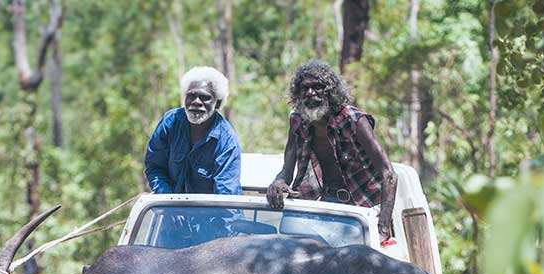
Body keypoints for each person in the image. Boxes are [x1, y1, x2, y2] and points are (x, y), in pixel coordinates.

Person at [266, 60, 398, 241]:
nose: (310, 93)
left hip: (362, 208)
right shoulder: (297, 121)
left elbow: (388, 174)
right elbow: (287, 171)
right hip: (324, 205)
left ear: (330, 91)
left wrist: (382, 226)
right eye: (305, 89)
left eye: (317, 87)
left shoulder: (354, 120)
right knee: (288, 243)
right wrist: (278, 183)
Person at [144, 66, 242, 195]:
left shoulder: (227, 141)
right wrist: (167, 199)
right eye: (191, 95)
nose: (196, 102)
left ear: (217, 103)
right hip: (171, 209)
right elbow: (155, 167)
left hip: (210, 213)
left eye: (204, 97)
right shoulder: (170, 122)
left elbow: (226, 196)